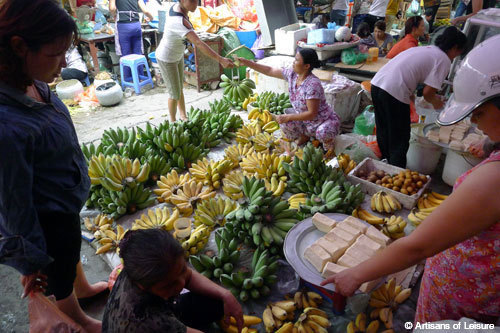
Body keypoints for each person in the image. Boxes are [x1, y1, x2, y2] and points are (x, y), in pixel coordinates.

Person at [321, 34, 500, 324]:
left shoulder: (493, 179)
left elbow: (417, 246)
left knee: (395, 138)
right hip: (482, 296)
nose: (474, 122)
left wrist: (356, 274)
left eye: (478, 113)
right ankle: (394, 162)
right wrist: (492, 144)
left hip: (462, 302)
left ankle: (395, 161)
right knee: (393, 137)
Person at [0, 0, 107, 332]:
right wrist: (30, 261)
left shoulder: (31, 81)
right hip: (47, 216)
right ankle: (75, 313)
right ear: (19, 46)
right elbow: (13, 204)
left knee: (71, 246)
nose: (63, 65)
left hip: (63, 202)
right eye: (55, 55)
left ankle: (83, 287)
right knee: (57, 266)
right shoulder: (6, 126)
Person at [102, 229, 244, 332]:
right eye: (169, 285)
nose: (182, 284)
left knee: (216, 301)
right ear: (143, 286)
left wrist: (226, 294)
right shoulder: (149, 321)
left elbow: (189, 277)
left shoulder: (135, 270)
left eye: (182, 270)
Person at [368, 26, 467, 167]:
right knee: (400, 138)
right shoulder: (443, 59)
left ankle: (384, 165)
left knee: (384, 129)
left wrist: (415, 98)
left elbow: (412, 75)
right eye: (458, 53)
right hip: (394, 89)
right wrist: (439, 106)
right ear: (455, 47)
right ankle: (396, 172)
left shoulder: (427, 49)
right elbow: (428, 94)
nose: (455, 56)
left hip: (377, 84)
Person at [235, 49, 341, 153]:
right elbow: (269, 70)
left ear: (306, 66)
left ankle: (328, 144)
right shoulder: (292, 75)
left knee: (322, 132)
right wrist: (247, 62)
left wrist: (288, 117)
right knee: (286, 123)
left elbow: (312, 114)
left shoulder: (312, 85)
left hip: (321, 121)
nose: (293, 63)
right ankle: (305, 136)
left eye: (296, 60)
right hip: (305, 121)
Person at [155, 0, 234, 122]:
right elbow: (198, 43)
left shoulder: (178, 8)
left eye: (196, 0)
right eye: (191, 1)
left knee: (179, 87)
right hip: (167, 58)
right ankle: (172, 122)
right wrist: (221, 60)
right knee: (174, 93)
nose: (195, 4)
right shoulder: (178, 22)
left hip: (177, 55)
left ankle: (183, 116)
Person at [109, 0, 153, 79]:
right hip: (136, 25)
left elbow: (112, 8)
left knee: (126, 55)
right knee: (138, 54)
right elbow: (145, 10)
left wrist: (114, 15)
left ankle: (128, 80)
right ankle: (140, 77)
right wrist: (151, 17)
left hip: (123, 26)